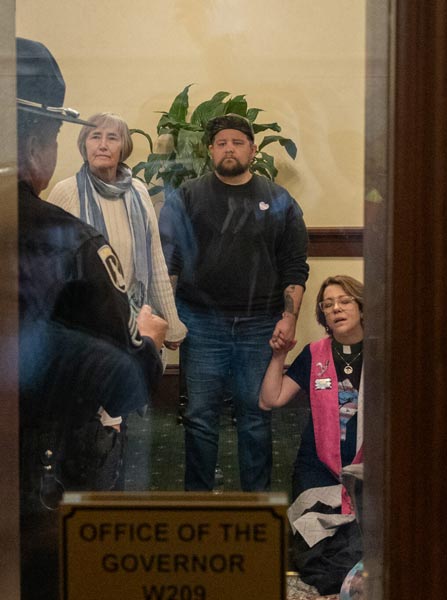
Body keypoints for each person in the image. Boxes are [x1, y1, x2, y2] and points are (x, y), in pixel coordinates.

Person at [16, 37, 168, 599]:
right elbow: (125, 383)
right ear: (39, 142)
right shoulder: (66, 239)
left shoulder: (138, 199)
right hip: (36, 490)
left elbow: (152, 256)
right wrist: (149, 340)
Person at [159, 113, 310, 492]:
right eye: (222, 142)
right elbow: (170, 265)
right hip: (201, 324)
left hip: (259, 325)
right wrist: (172, 320)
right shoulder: (188, 197)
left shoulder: (278, 200)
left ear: (253, 149)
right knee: (199, 418)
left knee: (256, 417)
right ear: (210, 150)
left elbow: (295, 267)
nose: (229, 148)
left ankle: (256, 508)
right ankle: (198, 505)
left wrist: (290, 319)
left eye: (238, 142)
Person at [45, 113, 188, 489]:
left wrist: (170, 324)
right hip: (82, 325)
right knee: (90, 420)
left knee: (119, 416)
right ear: (83, 145)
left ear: (124, 147)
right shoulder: (66, 192)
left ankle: (112, 494)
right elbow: (49, 266)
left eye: (111, 137)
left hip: (129, 321)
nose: (102, 144)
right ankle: (86, 498)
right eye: (94, 137)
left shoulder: (138, 192)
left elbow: (154, 259)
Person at [259, 275, 364, 594]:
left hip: (367, 466)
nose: (336, 308)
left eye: (345, 301)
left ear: (361, 306)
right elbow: (270, 399)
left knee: (364, 543)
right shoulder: (315, 353)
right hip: (317, 466)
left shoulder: (384, 349)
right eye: (328, 304)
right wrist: (279, 356)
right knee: (314, 555)